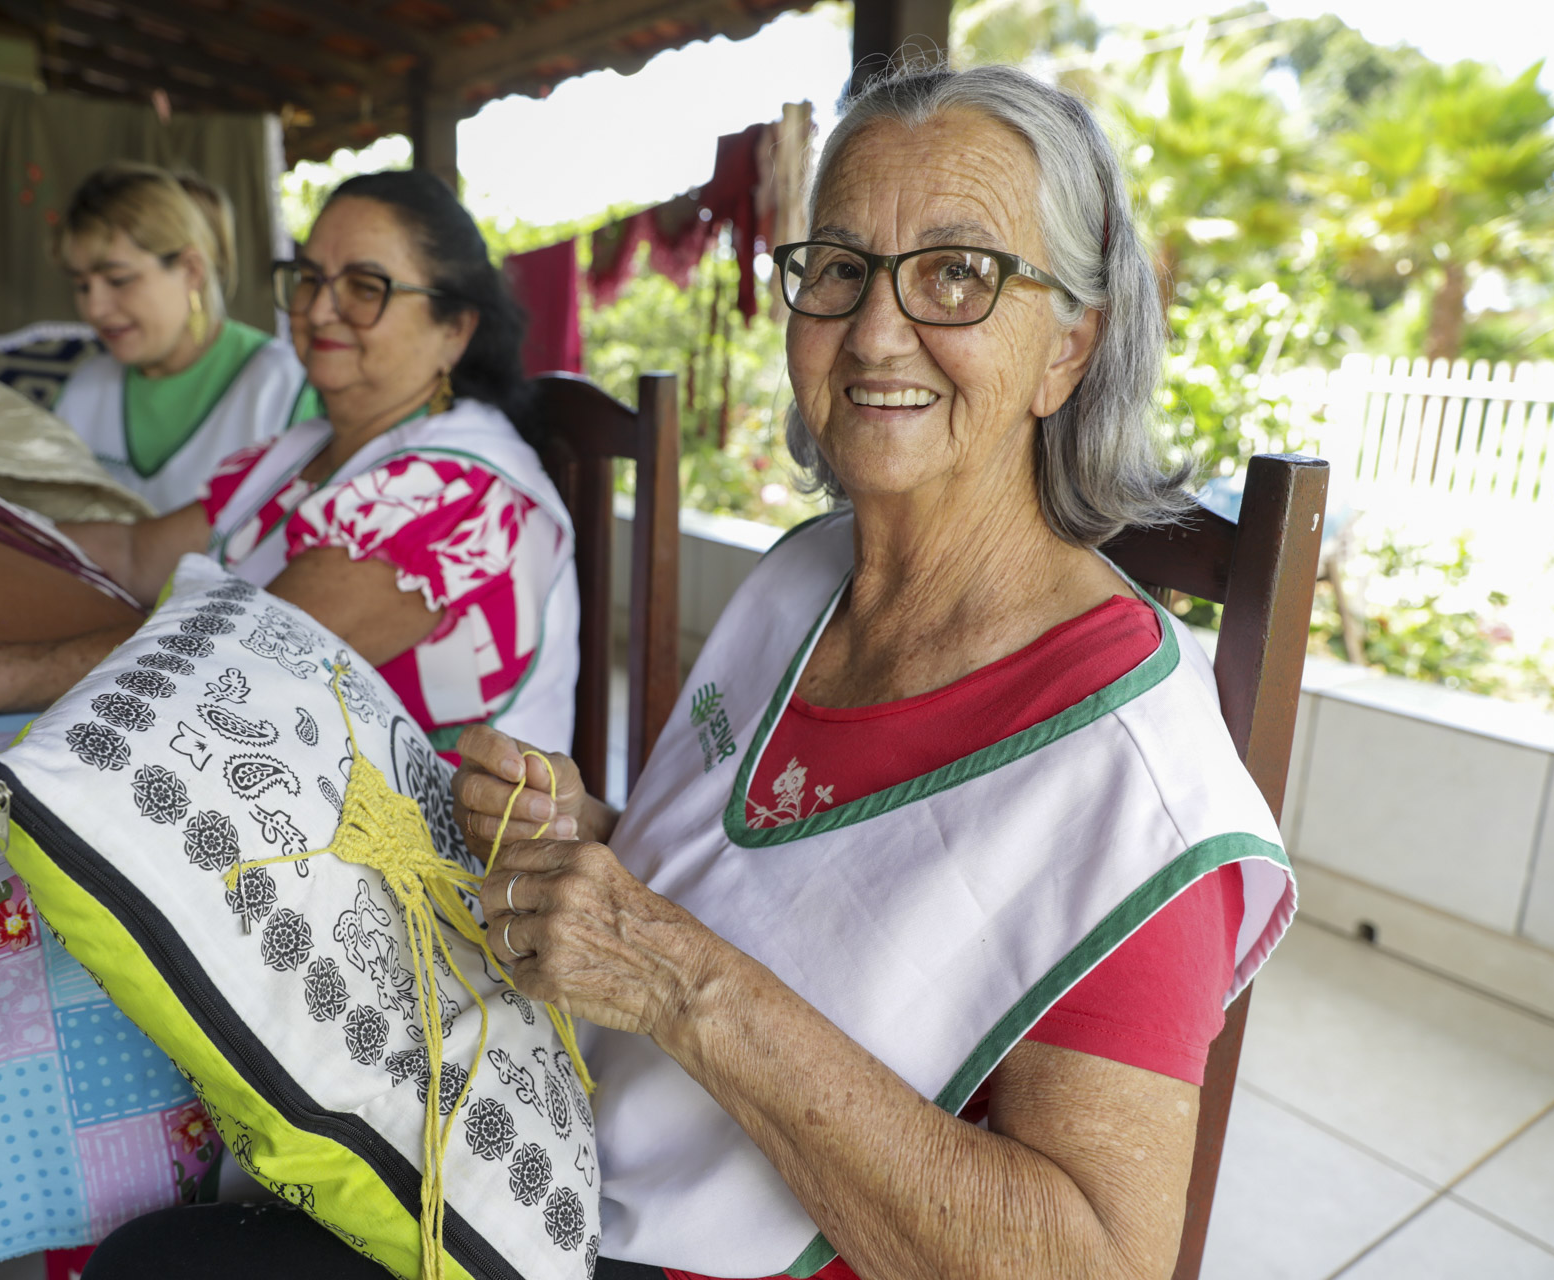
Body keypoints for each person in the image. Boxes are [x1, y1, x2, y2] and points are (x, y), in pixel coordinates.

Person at [80, 64, 1294, 1280]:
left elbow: (1096, 1264)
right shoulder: (805, 580)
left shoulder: (1133, 780)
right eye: (837, 268)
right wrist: (585, 838)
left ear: (1069, 348)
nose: (876, 331)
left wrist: (674, 974)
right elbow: (767, 882)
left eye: (959, 274)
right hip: (550, 1151)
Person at [0, 170, 578, 758]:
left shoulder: (462, 497)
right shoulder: (299, 456)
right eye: (308, 278)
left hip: (430, 897)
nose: (321, 309)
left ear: (455, 327)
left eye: (366, 286)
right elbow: (136, 553)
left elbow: (240, 655)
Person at [52, 164, 320, 511]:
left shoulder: (281, 389)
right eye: (81, 286)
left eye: (119, 280)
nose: (95, 308)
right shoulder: (85, 391)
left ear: (191, 270)